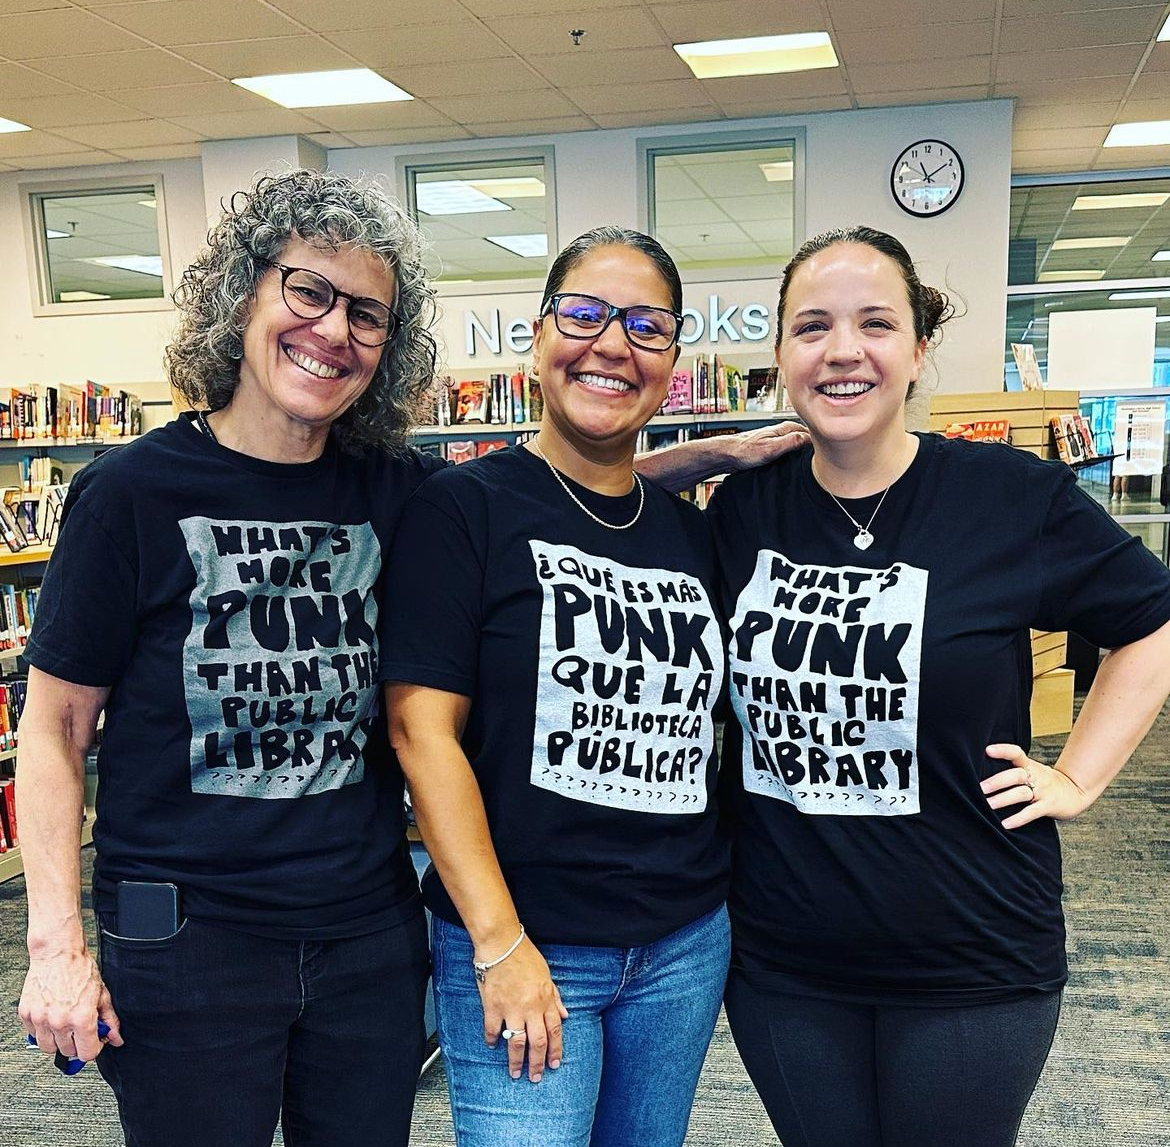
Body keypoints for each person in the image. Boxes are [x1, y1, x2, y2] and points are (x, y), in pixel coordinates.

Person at [707, 225, 1170, 1147]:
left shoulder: (1008, 496)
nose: (844, 350)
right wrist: (690, 459)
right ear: (781, 358)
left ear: (919, 348)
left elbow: (1151, 626)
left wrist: (1076, 777)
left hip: (972, 951)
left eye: (876, 323)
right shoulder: (745, 507)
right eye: (812, 327)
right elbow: (582, 513)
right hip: (784, 958)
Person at [16, 168, 444, 1147]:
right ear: (242, 293)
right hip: (187, 941)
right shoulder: (129, 493)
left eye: (367, 313)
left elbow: (540, 503)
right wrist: (54, 945)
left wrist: (732, 459)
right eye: (308, 291)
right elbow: (52, 728)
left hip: (366, 937)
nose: (334, 330)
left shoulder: (400, 490)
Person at [382, 227, 737, 1147]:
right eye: (583, 314)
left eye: (647, 325)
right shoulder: (463, 509)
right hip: (524, 943)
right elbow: (423, 734)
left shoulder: (691, 535)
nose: (612, 344)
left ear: (672, 359)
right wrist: (499, 944)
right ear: (537, 339)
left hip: (683, 944)